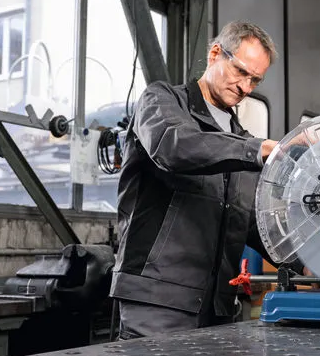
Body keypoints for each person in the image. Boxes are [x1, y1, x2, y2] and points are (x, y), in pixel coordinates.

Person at [110, 21, 291, 339]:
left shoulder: (238, 141)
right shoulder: (161, 102)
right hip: (157, 302)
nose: (245, 87)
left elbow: (250, 222)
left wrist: (306, 260)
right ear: (215, 53)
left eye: (254, 80)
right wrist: (260, 148)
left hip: (218, 307)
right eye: (240, 71)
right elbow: (174, 147)